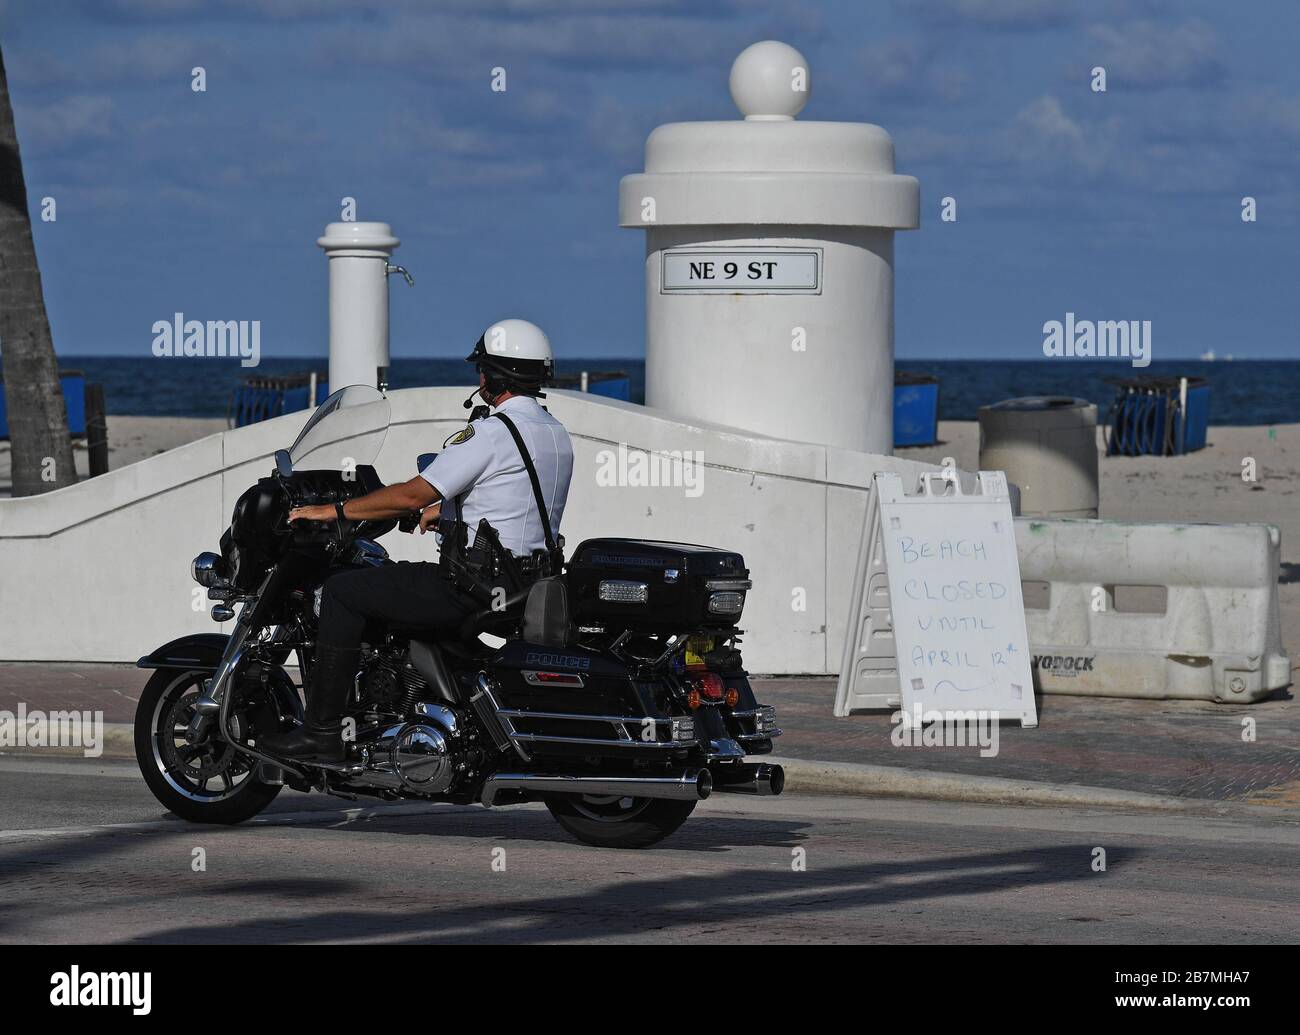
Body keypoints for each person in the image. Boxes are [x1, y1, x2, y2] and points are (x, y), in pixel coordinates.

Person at [260, 318, 574, 761]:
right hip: (524, 587)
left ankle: (324, 733)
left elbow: (411, 491)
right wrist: (442, 516)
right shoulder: (554, 433)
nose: (479, 377)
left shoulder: (491, 433)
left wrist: (332, 511)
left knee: (343, 591)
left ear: (494, 375)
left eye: (482, 368)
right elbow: (511, 504)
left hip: (469, 590)